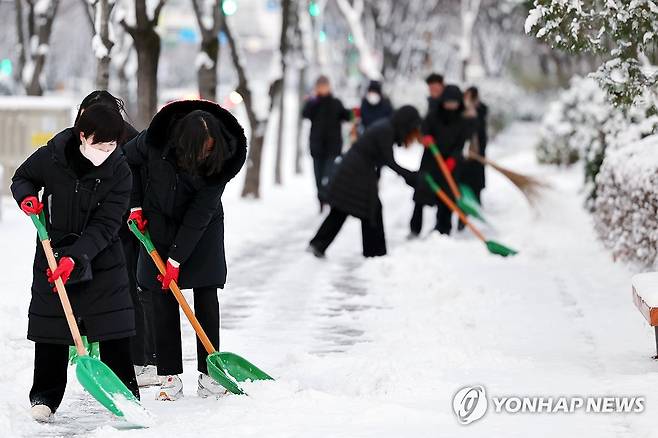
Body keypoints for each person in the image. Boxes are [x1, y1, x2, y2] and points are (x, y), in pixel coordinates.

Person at [11, 104, 139, 422]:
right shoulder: (53, 155)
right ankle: (45, 395)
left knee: (113, 325)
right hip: (52, 247)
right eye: (100, 144)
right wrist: (27, 197)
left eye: (112, 146)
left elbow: (108, 224)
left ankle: (125, 394)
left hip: (101, 253)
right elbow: (22, 177)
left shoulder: (120, 170)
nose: (106, 151)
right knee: (52, 323)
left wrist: (76, 256)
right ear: (83, 135)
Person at [123, 100, 246, 401]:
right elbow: (128, 162)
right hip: (158, 223)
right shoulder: (156, 138)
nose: (206, 154)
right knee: (160, 296)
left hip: (200, 231)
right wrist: (136, 204)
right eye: (201, 149)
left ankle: (210, 373)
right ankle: (169, 375)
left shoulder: (222, 159)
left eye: (210, 148)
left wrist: (176, 259)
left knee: (205, 294)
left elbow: (200, 214)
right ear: (183, 143)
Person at [76, 91, 158, 386]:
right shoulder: (88, 139)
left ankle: (144, 358)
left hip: (128, 225)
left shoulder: (129, 142)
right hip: (103, 225)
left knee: (131, 289)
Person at [308, 106, 421, 258]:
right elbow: (389, 160)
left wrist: (408, 176)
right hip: (356, 170)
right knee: (368, 209)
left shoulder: (387, 128)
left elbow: (384, 158)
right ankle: (375, 253)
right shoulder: (386, 130)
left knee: (345, 209)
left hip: (357, 169)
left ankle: (319, 244)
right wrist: (409, 176)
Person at [410, 84, 470, 237]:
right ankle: (415, 228)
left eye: (454, 102)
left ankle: (443, 229)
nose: (451, 106)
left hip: (450, 164)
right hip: (431, 161)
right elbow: (423, 131)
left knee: (447, 196)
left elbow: (460, 145)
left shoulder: (462, 121)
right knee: (421, 195)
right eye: (448, 102)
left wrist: (453, 159)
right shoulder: (433, 116)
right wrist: (426, 137)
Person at [302, 75, 353, 211]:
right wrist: (310, 101)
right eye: (320, 86)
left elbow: (347, 116)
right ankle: (321, 200)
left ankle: (328, 199)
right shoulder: (313, 103)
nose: (323, 88)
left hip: (333, 147)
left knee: (328, 176)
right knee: (318, 178)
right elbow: (305, 114)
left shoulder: (336, 103)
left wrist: (354, 113)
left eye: (325, 86)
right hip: (316, 147)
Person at [460, 86, 489, 202]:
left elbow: (479, 129)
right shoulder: (463, 109)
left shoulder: (480, 110)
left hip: (477, 150)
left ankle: (477, 199)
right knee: (465, 177)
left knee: (476, 177)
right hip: (465, 151)